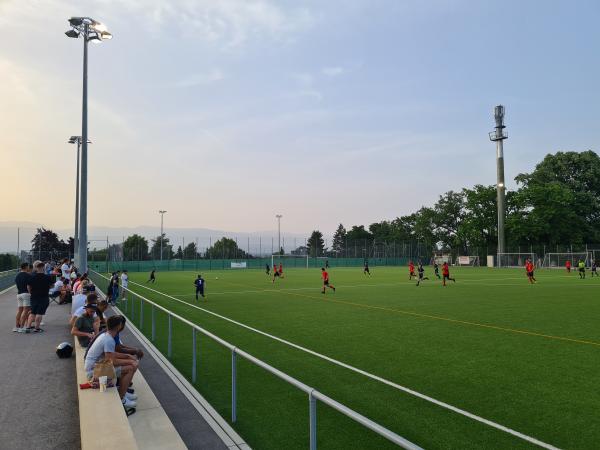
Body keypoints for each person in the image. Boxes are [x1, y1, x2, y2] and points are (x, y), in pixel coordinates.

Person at [84, 315, 138, 409]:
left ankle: (123, 392)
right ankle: (122, 398)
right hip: (94, 373)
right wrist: (130, 361)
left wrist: (128, 356)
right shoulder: (108, 339)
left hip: (97, 367)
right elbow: (112, 361)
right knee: (131, 367)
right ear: (119, 326)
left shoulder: (106, 335)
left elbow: (111, 355)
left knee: (131, 363)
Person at [26, 261, 55, 332]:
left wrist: (31, 293)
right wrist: (47, 287)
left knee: (33, 312)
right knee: (39, 313)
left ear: (36, 268)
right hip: (44, 296)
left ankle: (28, 327)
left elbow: (28, 286)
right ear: (43, 268)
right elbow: (52, 286)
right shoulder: (47, 277)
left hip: (34, 296)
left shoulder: (32, 277)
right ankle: (37, 328)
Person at [14, 262, 32, 333]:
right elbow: (29, 286)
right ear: (26, 267)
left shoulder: (17, 276)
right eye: (28, 266)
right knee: (25, 310)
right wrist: (30, 293)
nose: (29, 268)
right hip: (26, 294)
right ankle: (22, 327)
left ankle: (16, 327)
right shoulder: (28, 275)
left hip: (19, 294)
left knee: (20, 311)